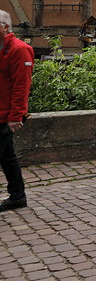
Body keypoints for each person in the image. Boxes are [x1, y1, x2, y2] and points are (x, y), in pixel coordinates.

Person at [0, 11, 33, 210]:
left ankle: (17, 195)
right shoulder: (2, 48)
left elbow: (22, 86)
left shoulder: (20, 49)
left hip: (7, 115)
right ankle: (18, 196)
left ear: (5, 27)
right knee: (7, 156)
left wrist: (16, 116)